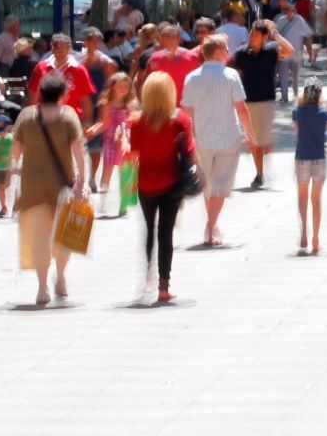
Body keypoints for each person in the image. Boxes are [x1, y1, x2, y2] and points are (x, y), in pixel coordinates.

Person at [11, 73, 87, 306]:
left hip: (32, 187)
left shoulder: (26, 117)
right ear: (63, 95)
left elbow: (14, 154)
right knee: (64, 237)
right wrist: (82, 181)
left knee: (39, 238)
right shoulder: (68, 117)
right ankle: (61, 277)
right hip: (62, 187)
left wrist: (10, 177)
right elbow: (78, 152)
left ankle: (42, 287)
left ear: (40, 94)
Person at [179, 35, 255, 247]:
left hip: (202, 137)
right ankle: (210, 228)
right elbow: (241, 108)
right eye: (226, 48)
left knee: (209, 184)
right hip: (229, 137)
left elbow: (185, 111)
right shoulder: (230, 76)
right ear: (218, 51)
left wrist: (185, 138)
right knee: (221, 185)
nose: (229, 52)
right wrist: (250, 134)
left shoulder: (192, 77)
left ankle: (212, 225)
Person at [126, 72, 195, 305]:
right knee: (166, 232)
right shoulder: (179, 120)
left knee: (149, 229)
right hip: (171, 182)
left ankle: (147, 273)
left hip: (146, 182)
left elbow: (132, 156)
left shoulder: (135, 122)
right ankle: (164, 286)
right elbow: (191, 154)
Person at [227, 20, 294, 191]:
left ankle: (264, 159)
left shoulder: (271, 50)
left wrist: (276, 34)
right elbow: (234, 73)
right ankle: (259, 174)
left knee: (262, 141)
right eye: (251, 33)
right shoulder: (241, 54)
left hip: (267, 100)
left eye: (256, 34)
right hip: (248, 100)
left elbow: (290, 50)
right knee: (255, 140)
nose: (252, 37)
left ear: (264, 37)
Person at [88, 73, 136, 214]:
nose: (123, 89)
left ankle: (124, 203)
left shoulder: (130, 104)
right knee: (107, 169)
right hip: (110, 141)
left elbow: (133, 122)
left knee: (125, 172)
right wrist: (93, 131)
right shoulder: (107, 104)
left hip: (125, 142)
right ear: (112, 87)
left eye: (126, 86)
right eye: (119, 86)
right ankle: (102, 201)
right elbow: (103, 123)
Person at [292, 81, 327, 255]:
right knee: (316, 200)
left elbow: (296, 130)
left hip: (302, 157)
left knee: (302, 197)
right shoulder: (324, 113)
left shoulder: (297, 112)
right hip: (320, 158)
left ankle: (303, 233)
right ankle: (316, 238)